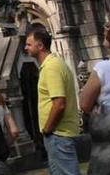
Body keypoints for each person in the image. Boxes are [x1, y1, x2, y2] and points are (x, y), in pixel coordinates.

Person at [23, 28, 81, 175]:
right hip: (58, 133)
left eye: (29, 44)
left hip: (58, 133)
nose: (25, 48)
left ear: (40, 45)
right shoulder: (53, 64)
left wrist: (48, 128)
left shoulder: (51, 67)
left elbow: (59, 103)